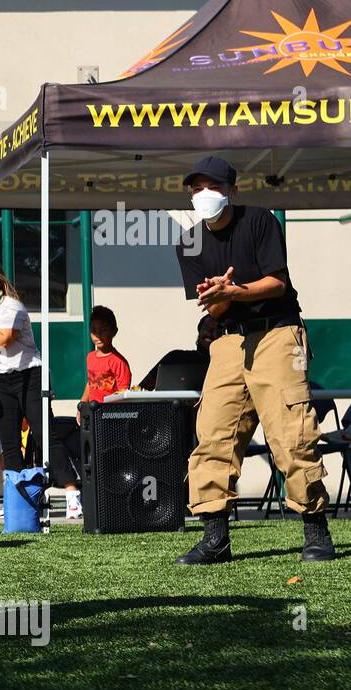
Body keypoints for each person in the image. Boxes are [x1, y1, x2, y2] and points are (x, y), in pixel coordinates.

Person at [175, 154, 333, 564]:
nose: (203, 195)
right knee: (213, 433)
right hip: (226, 340)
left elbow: (277, 282)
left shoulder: (260, 220)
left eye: (212, 186)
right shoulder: (187, 241)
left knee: (292, 432)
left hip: (278, 333)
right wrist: (217, 297)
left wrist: (234, 291)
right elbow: (213, 310)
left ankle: (316, 530)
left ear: (233, 190)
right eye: (196, 188)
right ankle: (215, 537)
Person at [0, 259, 83, 519]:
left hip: (29, 374)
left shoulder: (11, 307)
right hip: (1, 380)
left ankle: (73, 493)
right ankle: (16, 499)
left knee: (43, 434)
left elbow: (3, 340)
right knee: (9, 442)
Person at [139, 314, 218, 390]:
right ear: (199, 331)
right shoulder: (176, 358)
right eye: (206, 328)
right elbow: (142, 389)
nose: (209, 333)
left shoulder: (225, 364)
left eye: (215, 330)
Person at [79, 306, 132, 406]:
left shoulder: (119, 362)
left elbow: (123, 392)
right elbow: (90, 384)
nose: (98, 335)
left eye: (103, 330)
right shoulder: (90, 357)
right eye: (94, 331)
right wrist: (82, 404)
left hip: (110, 413)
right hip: (92, 411)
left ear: (114, 331)